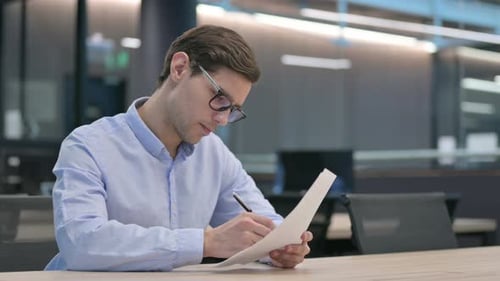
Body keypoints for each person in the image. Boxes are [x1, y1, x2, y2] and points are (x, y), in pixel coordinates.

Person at [45, 24, 312, 271]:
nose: (222, 119)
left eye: (232, 109)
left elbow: (262, 221)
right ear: (180, 68)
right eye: (219, 98)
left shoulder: (214, 154)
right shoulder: (88, 145)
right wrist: (206, 243)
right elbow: (82, 243)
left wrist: (280, 245)